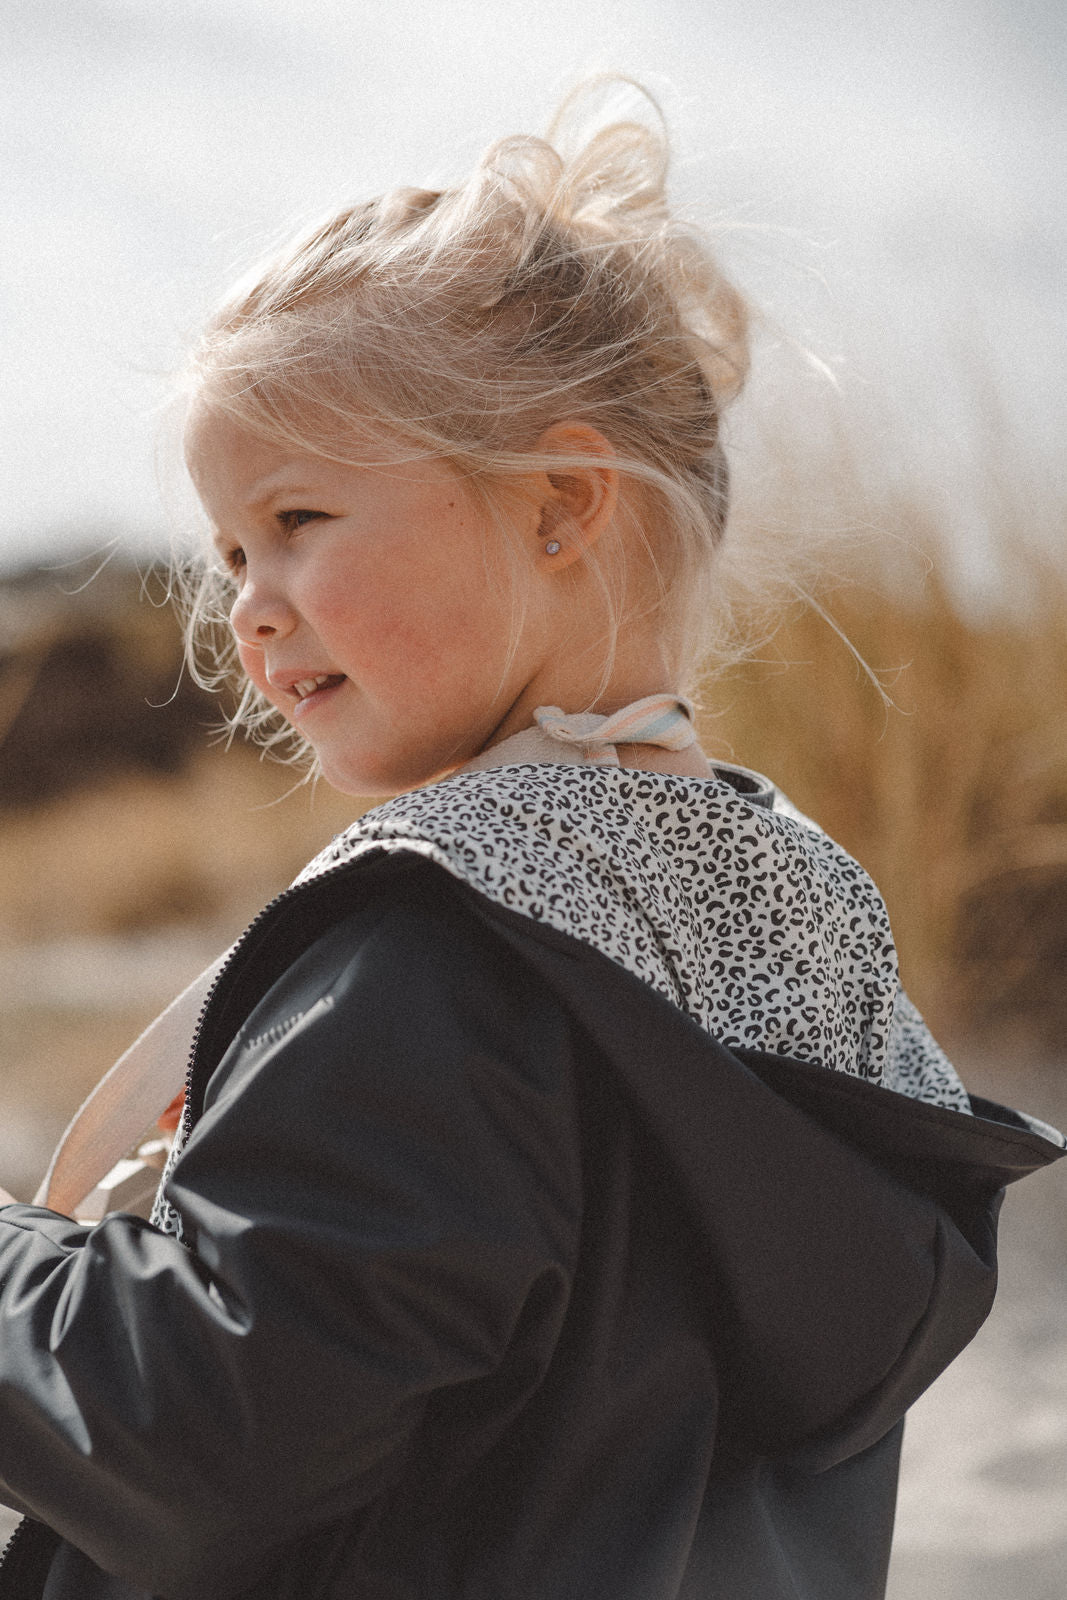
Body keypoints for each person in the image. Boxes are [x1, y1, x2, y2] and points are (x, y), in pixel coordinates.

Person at [0, 79, 1061, 1600]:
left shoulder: (440, 954)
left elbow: (199, 1436)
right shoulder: (808, 910)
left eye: (299, 518)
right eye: (229, 549)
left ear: (562, 504)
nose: (246, 600)